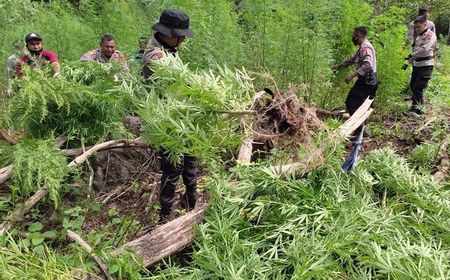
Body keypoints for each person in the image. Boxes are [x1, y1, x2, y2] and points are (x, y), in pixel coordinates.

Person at [142, 9, 195, 222]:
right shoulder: (155, 55)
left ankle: (192, 207)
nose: (183, 39)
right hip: (166, 119)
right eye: (180, 35)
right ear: (167, 33)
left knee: (190, 163)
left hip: (182, 116)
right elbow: (171, 81)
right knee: (173, 168)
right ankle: (166, 218)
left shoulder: (169, 48)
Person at [333, 26, 378, 136]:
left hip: (367, 81)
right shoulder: (361, 49)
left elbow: (368, 65)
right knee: (360, 105)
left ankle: (361, 131)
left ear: (360, 35)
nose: (353, 37)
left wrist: (351, 76)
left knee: (351, 103)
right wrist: (338, 66)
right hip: (368, 80)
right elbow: (351, 59)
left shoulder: (365, 48)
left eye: (355, 35)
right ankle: (361, 130)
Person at [404, 16, 437, 117]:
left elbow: (425, 49)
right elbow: (416, 51)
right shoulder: (419, 37)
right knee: (413, 85)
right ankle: (418, 107)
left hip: (426, 65)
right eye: (415, 28)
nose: (417, 29)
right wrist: (409, 61)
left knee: (418, 87)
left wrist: (411, 55)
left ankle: (416, 111)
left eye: (419, 27)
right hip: (417, 64)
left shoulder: (431, 35)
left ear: (425, 25)